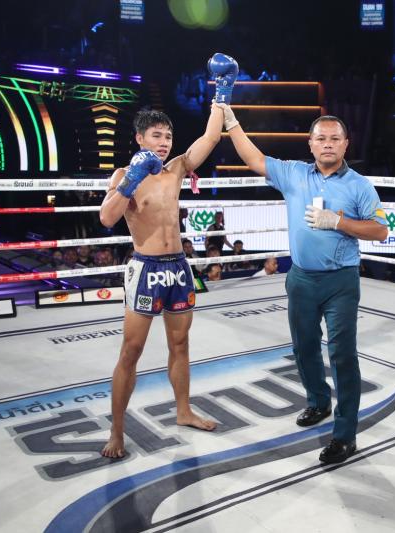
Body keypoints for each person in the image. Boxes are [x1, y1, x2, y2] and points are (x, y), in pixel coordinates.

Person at [219, 103, 388, 464]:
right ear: (310, 144)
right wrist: (232, 123)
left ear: (346, 144)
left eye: (335, 139)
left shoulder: (360, 186)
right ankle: (318, 401)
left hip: (341, 280)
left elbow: (380, 230)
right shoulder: (294, 174)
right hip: (300, 278)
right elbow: (254, 158)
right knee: (304, 347)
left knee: (342, 355)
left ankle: (345, 436)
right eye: (321, 138)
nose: (328, 144)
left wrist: (339, 222)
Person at [98, 101, 226, 458]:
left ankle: (183, 411)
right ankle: (117, 431)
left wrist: (221, 97)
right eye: (157, 136)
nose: (164, 142)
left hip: (178, 268)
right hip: (146, 268)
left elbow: (210, 138)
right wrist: (132, 180)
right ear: (140, 138)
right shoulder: (123, 174)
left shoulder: (177, 168)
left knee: (180, 344)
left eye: (168, 136)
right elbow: (107, 218)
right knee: (131, 351)